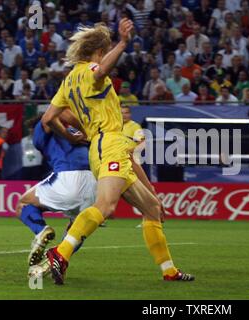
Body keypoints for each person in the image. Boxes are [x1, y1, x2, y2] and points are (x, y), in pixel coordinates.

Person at [41, 20, 194, 284]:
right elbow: (100, 71)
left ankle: (169, 271)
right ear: (99, 51)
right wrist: (124, 42)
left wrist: (72, 136)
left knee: (152, 208)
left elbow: (49, 118)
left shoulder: (67, 82)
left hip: (104, 146)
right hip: (108, 142)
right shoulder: (91, 69)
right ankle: (61, 253)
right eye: (107, 48)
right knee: (105, 206)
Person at [16, 112, 97, 267]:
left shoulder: (41, 132)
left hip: (68, 176)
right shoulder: (80, 132)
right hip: (94, 183)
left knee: (23, 204)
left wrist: (55, 110)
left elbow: (48, 119)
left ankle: (41, 230)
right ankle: (58, 259)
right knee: (77, 226)